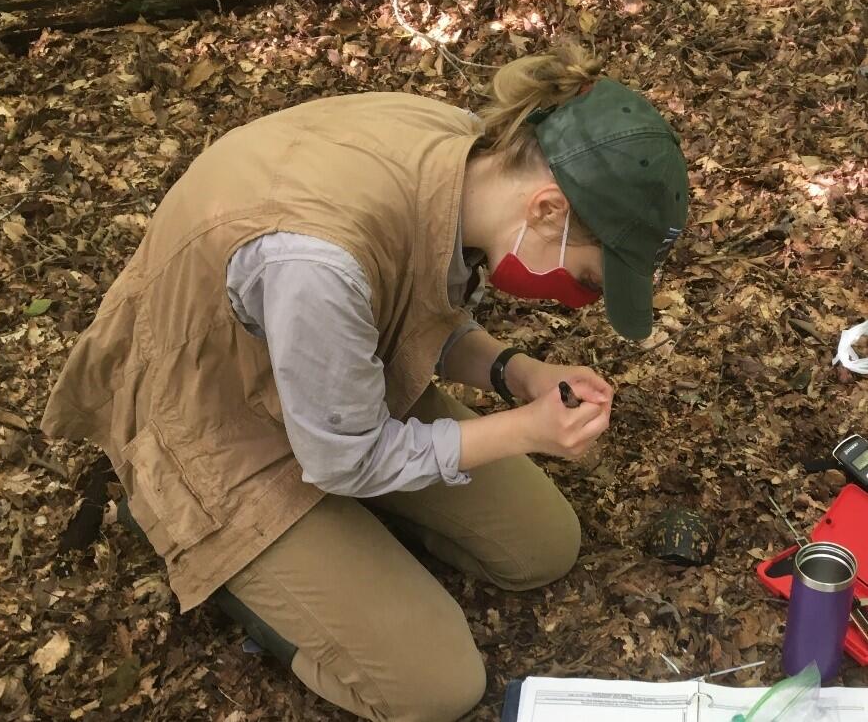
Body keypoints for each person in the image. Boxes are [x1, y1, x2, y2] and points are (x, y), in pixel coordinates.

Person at [41, 42, 689, 722]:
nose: (574, 297)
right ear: (548, 210)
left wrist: (516, 373)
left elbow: (414, 314)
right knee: (437, 685)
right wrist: (524, 431)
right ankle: (222, 563)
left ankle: (346, 545)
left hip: (333, 385)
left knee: (541, 546)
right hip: (216, 426)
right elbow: (343, 456)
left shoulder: (477, 160)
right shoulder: (320, 261)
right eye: (588, 278)